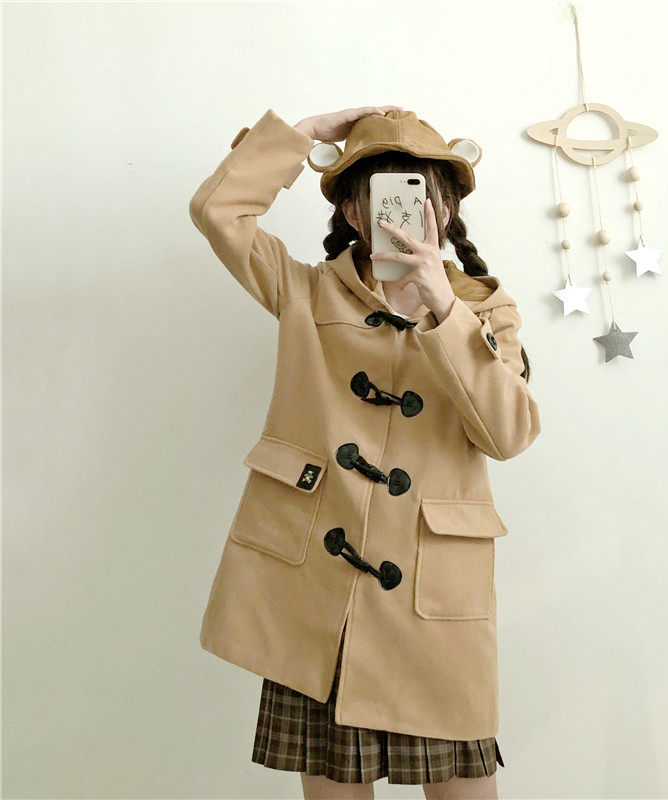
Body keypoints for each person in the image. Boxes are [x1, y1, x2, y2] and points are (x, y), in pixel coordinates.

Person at [189, 105, 541, 799]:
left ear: (446, 209)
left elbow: (509, 435)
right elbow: (217, 211)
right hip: (317, 596)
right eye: (377, 195)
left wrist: (445, 309)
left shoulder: (484, 311)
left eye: (420, 194)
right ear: (352, 211)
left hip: (430, 595)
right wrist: (305, 134)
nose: (401, 211)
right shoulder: (303, 290)